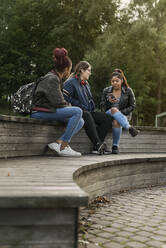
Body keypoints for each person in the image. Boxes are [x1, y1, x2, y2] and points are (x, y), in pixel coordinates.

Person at [31, 48, 84, 157]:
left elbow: (58, 102)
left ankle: (59, 143)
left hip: (48, 110)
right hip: (39, 112)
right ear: (66, 70)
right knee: (77, 111)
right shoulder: (52, 79)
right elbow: (59, 102)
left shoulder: (54, 77)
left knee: (81, 121)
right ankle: (63, 146)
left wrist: (67, 106)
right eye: (70, 68)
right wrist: (69, 106)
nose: (70, 71)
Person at [63, 61, 113, 155]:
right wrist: (78, 104)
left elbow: (89, 100)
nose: (90, 73)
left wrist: (92, 105)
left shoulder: (86, 84)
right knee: (87, 115)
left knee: (107, 118)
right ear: (82, 70)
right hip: (78, 112)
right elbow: (65, 99)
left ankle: (97, 147)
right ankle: (97, 144)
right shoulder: (70, 83)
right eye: (89, 70)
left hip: (89, 111)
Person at [101, 69, 139, 154]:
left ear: (121, 81)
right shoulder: (106, 91)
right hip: (108, 114)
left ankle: (115, 146)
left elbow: (132, 105)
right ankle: (129, 127)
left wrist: (121, 113)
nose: (114, 83)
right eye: (113, 81)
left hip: (123, 116)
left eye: (117, 81)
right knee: (114, 109)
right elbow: (102, 106)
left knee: (116, 121)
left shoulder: (128, 91)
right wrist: (108, 102)